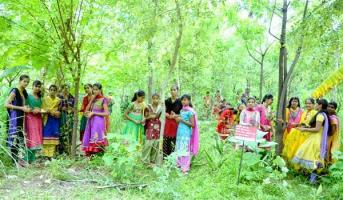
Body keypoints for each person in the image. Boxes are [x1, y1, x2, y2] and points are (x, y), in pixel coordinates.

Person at [292, 99, 331, 176]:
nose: (315, 105)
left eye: (316, 104)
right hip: (319, 138)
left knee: (311, 158)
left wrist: (304, 129)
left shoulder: (320, 115)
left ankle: (312, 178)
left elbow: (317, 129)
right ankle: (312, 177)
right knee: (315, 158)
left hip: (315, 138)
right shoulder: (325, 115)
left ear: (320, 105)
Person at [5, 75, 31, 164]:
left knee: (20, 137)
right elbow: (7, 104)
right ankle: (13, 162)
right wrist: (21, 108)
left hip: (22, 117)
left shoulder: (24, 92)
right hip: (15, 117)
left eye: (28, 82)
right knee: (14, 137)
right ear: (20, 81)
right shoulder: (14, 91)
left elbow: (23, 105)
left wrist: (26, 108)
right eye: (24, 81)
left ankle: (18, 160)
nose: (26, 83)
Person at [82, 83, 109, 156]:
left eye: (96, 89)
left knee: (97, 138)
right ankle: (92, 156)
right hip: (91, 121)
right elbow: (85, 112)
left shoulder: (104, 99)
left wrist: (94, 113)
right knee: (91, 137)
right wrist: (91, 100)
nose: (94, 91)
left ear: (100, 90)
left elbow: (106, 113)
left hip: (99, 122)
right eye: (93, 89)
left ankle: (99, 155)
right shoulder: (93, 99)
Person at [175, 94, 199, 174]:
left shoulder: (190, 112)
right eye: (182, 100)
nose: (183, 101)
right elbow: (180, 120)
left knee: (185, 149)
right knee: (179, 147)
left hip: (186, 132)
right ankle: (179, 164)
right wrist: (177, 118)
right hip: (180, 132)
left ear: (189, 101)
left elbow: (192, 125)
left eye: (185, 100)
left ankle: (185, 167)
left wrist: (181, 120)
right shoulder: (182, 110)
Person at [24, 80, 43, 164]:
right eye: (36, 86)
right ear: (32, 86)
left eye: (39, 87)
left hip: (38, 119)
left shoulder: (40, 98)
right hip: (30, 118)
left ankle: (33, 158)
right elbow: (25, 107)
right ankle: (26, 158)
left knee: (37, 138)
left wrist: (39, 110)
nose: (37, 88)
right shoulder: (27, 96)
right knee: (31, 137)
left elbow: (41, 107)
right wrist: (32, 110)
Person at [142, 93, 162, 164]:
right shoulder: (148, 107)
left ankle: (152, 160)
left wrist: (152, 116)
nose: (155, 100)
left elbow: (157, 116)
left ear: (159, 99)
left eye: (157, 98)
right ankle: (144, 160)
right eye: (154, 98)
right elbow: (146, 116)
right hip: (150, 126)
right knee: (148, 143)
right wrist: (151, 116)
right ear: (152, 99)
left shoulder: (160, 108)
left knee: (155, 143)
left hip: (157, 127)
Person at [42, 85, 61, 159]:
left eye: (54, 90)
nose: (52, 91)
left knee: (54, 135)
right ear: (49, 90)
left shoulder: (58, 100)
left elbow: (60, 110)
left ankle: (51, 155)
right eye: (51, 90)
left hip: (55, 119)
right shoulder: (45, 99)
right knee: (46, 135)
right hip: (47, 118)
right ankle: (46, 155)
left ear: (56, 91)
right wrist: (49, 111)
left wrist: (58, 113)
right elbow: (43, 108)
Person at [163, 86, 182, 157]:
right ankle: (166, 157)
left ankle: (175, 157)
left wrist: (176, 115)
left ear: (177, 91)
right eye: (171, 90)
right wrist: (167, 115)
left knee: (175, 139)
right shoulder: (167, 101)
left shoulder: (180, 101)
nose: (172, 91)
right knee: (166, 139)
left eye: (174, 90)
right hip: (168, 122)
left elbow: (183, 112)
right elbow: (164, 110)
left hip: (176, 122)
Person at [58, 84, 75, 155]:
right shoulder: (59, 97)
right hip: (61, 116)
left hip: (69, 117)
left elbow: (75, 109)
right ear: (62, 89)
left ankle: (68, 149)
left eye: (67, 88)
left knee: (69, 132)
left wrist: (71, 109)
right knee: (61, 131)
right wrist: (61, 108)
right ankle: (60, 149)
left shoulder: (72, 98)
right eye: (64, 88)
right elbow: (55, 107)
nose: (66, 89)